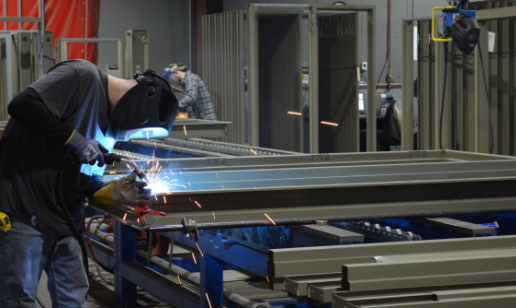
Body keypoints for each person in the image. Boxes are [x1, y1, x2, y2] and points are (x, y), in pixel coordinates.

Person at [0, 59, 177, 307]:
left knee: (73, 297)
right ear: (138, 105)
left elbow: (89, 178)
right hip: (22, 208)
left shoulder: (111, 128)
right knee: (19, 298)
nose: (127, 137)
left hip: (64, 217)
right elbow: (21, 105)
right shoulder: (81, 75)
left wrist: (111, 191)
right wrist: (76, 141)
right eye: (134, 131)